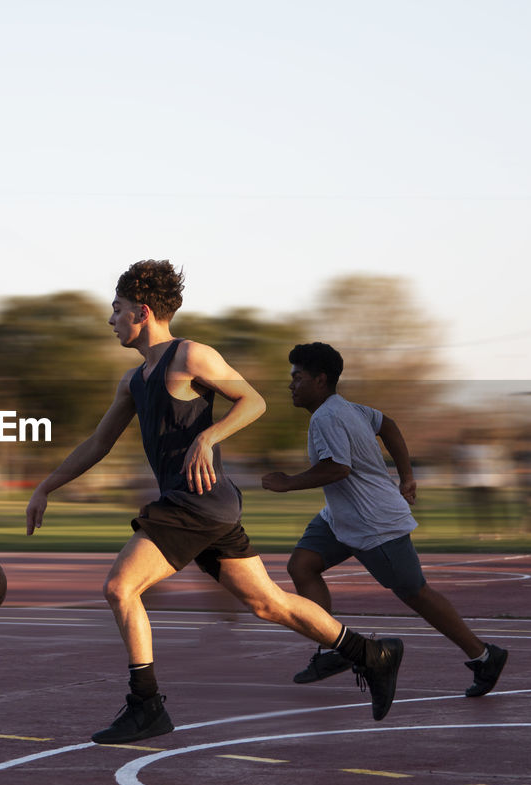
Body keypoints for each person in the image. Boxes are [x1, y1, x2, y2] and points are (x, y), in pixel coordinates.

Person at [25, 261, 403, 744]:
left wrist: (209, 436)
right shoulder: (133, 380)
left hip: (196, 503)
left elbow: (254, 401)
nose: (111, 319)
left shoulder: (190, 356)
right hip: (204, 505)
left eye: (116, 310)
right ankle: (372, 654)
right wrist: (46, 487)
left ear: (142, 311)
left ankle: (146, 705)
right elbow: (97, 444)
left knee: (121, 587)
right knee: (269, 604)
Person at [262, 342, 507, 698]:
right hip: (340, 519)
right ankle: (332, 649)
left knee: (416, 593)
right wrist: (406, 476)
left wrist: (288, 483)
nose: (291, 385)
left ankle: (484, 656)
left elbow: (338, 468)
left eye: (297, 378)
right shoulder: (348, 409)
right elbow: (387, 425)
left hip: (374, 523)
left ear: (320, 379)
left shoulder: (328, 417)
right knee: (302, 566)